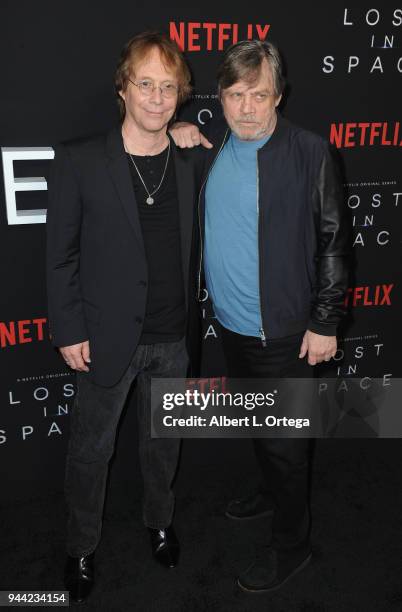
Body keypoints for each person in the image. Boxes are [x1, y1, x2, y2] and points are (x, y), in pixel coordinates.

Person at [170, 40, 350, 593]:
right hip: (232, 326)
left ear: (280, 96)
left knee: (288, 447)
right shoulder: (216, 150)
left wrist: (326, 321)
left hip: (290, 334)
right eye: (235, 94)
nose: (247, 107)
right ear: (219, 98)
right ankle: (271, 492)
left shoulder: (309, 151)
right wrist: (176, 128)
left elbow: (335, 241)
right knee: (262, 425)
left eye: (260, 94)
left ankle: (292, 545)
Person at [46, 31, 201, 604]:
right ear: (122, 87)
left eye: (169, 88)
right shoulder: (81, 159)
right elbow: (60, 255)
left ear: (180, 95)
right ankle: (81, 547)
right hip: (106, 339)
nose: (157, 99)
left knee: (164, 447)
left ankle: (159, 521)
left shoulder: (191, 156)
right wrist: (69, 330)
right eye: (146, 85)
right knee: (92, 451)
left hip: (174, 337)